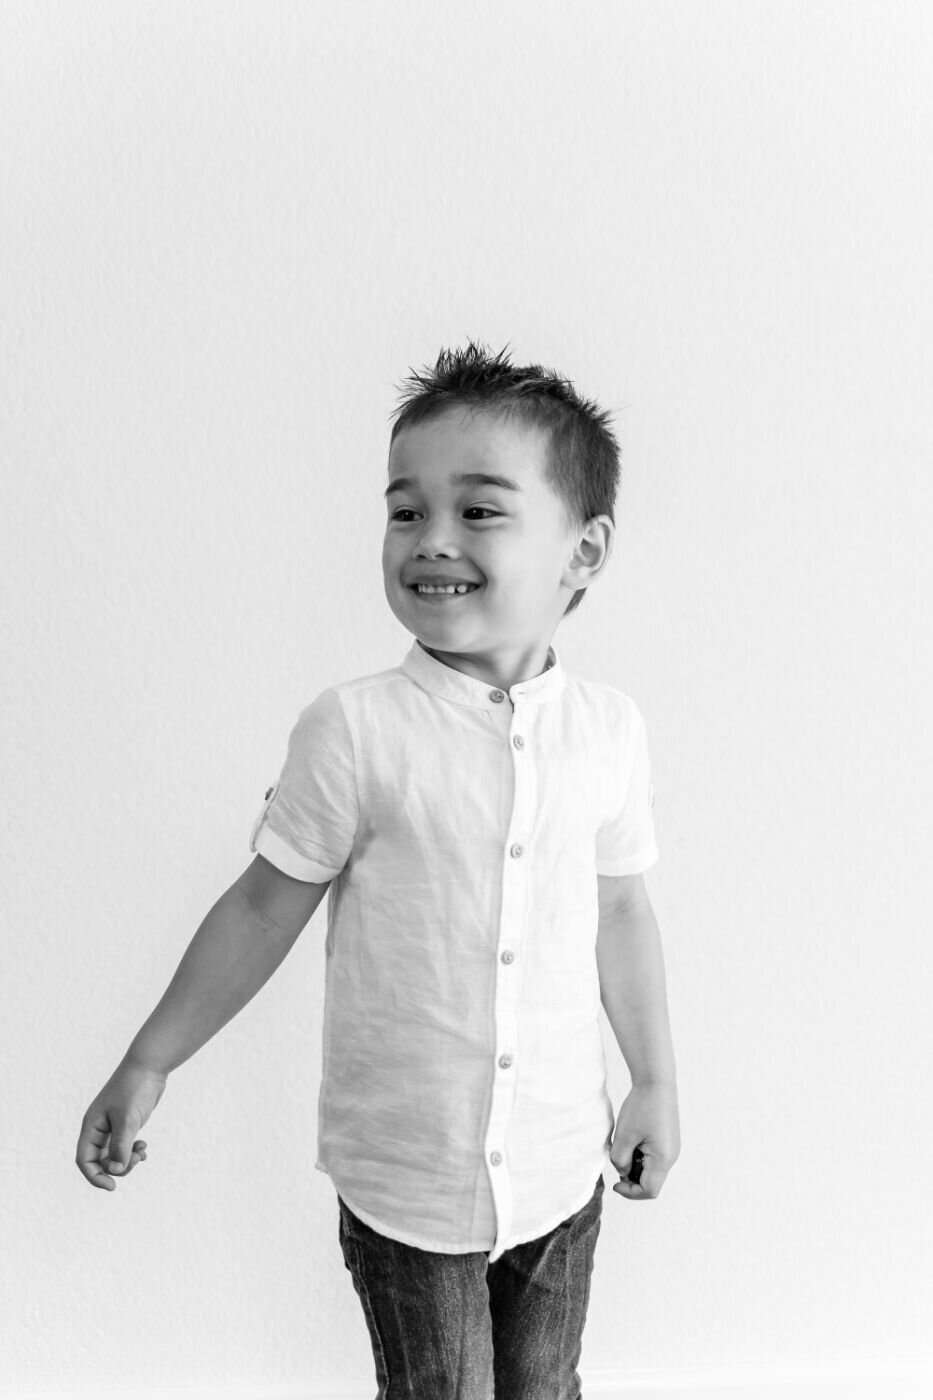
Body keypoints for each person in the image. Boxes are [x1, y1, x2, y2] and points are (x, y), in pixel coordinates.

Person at [76, 341, 680, 1399]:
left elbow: (622, 910)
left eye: (479, 509)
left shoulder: (609, 730)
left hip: (555, 1161)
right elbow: (263, 904)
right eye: (406, 510)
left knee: (543, 1385)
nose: (430, 538)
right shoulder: (356, 728)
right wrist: (149, 1058)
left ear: (583, 550)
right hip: (409, 1175)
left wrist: (656, 1081)